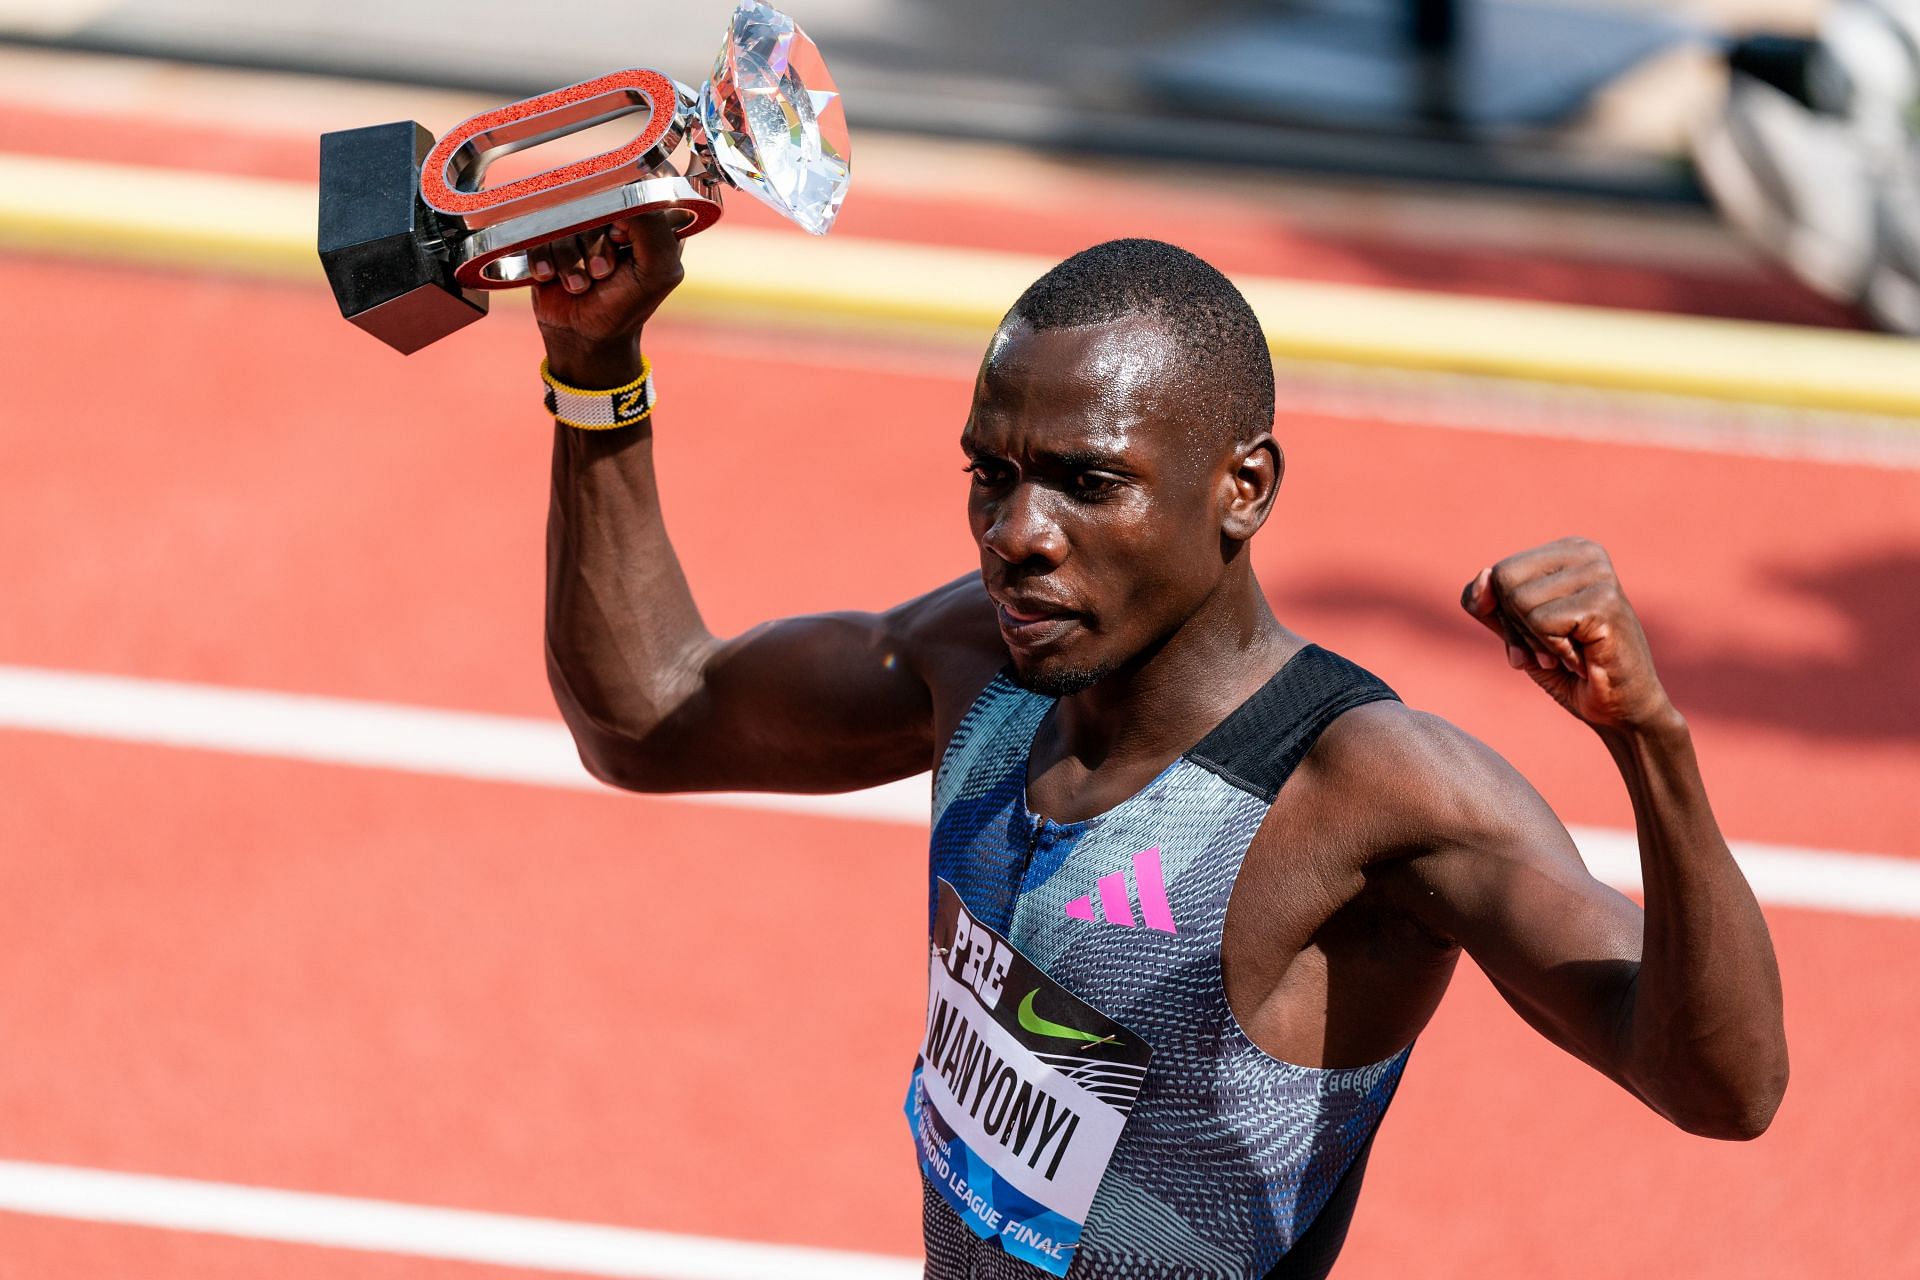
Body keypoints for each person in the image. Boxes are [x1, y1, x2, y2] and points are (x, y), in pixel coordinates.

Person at [528, 222, 1788, 1279]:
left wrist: (1654, 749)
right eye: (993, 474)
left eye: (1085, 479)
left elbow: (1719, 1088)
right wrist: (596, 364)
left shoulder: (1367, 790)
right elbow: (647, 716)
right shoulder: (984, 665)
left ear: (1243, 486)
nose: (1019, 531)